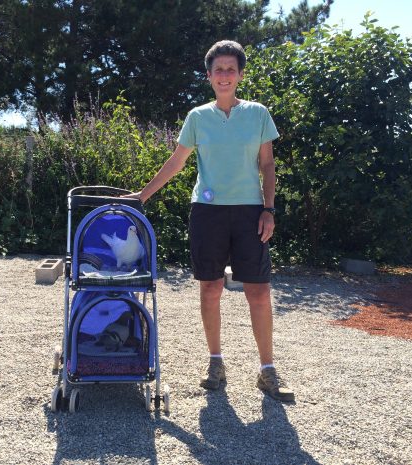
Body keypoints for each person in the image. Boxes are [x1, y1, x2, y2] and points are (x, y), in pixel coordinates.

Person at [124, 40, 294, 402]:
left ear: (241, 74)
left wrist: (269, 209)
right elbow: (177, 161)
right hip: (208, 212)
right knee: (210, 288)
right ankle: (215, 363)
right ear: (209, 76)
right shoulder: (197, 117)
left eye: (231, 69)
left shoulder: (258, 114)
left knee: (259, 292)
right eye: (219, 69)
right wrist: (142, 195)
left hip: (251, 212)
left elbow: (267, 165)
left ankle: (267, 370)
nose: (225, 75)